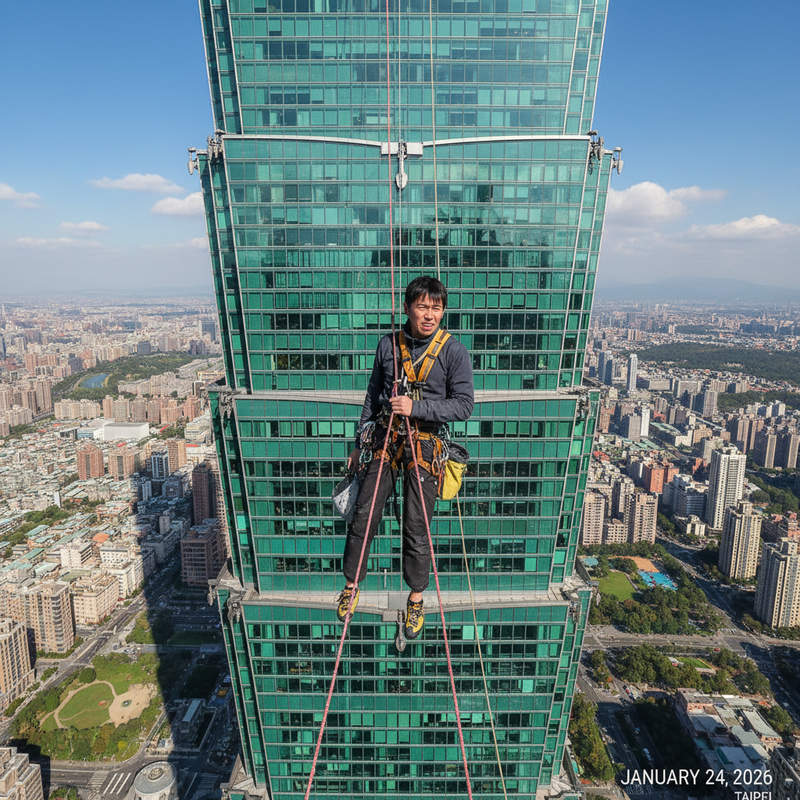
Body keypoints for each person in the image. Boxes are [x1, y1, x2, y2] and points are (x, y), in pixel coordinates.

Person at [337, 276, 474, 639]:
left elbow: (463, 405)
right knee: (364, 512)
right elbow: (372, 394)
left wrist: (418, 407)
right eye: (422, 306)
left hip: (424, 444)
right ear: (408, 308)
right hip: (384, 437)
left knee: (416, 525)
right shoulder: (388, 345)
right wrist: (357, 442)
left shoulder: (452, 352)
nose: (429, 314)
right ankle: (352, 584)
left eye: (436, 308)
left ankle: (416, 598)